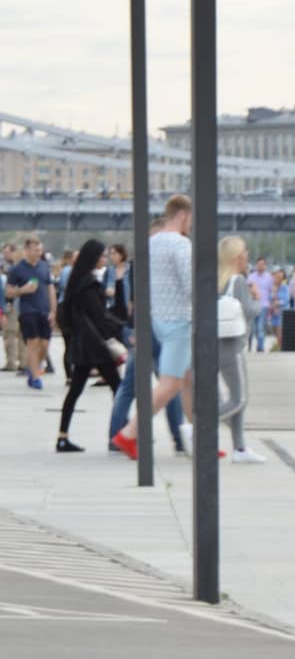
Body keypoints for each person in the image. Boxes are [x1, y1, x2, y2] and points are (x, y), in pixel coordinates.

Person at [111, 194, 195, 460]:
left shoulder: (151, 243)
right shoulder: (181, 244)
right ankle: (129, 433)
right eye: (190, 219)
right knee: (170, 385)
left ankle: (198, 439)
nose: (191, 224)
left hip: (156, 319)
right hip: (179, 320)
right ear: (183, 215)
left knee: (188, 382)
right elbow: (191, 285)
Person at [54, 239, 126, 452]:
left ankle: (62, 437)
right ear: (93, 258)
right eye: (102, 256)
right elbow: (100, 316)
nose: (105, 259)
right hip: (95, 346)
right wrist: (123, 329)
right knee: (119, 388)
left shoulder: (77, 282)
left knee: (75, 391)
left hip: (82, 344)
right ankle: (119, 436)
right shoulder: (90, 284)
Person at [217, 237, 268, 463]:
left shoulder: (219, 281)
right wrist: (257, 299)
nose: (248, 256)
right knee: (239, 399)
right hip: (233, 347)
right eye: (245, 253)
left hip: (217, 344)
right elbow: (249, 311)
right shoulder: (238, 281)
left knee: (236, 397)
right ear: (238, 257)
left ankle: (239, 448)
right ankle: (200, 425)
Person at [5, 235, 57, 389]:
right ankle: (35, 377)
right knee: (33, 343)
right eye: (35, 250)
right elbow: (8, 292)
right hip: (27, 311)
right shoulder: (17, 269)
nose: (38, 253)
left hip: (44, 310)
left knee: (45, 344)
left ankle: (32, 367)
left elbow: (51, 289)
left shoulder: (43, 266)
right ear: (27, 250)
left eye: (40, 250)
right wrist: (23, 290)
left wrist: (54, 310)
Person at [246, 257, 274, 351]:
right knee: (252, 329)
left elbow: (271, 292)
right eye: (259, 264)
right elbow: (247, 290)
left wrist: (271, 304)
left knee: (260, 327)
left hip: (264, 305)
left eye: (262, 264)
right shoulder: (251, 277)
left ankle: (260, 348)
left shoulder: (269, 277)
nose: (260, 266)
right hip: (253, 305)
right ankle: (250, 347)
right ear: (256, 265)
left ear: (265, 265)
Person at [1, 241, 20, 373]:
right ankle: (18, 362)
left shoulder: (13, 268)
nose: (5, 254)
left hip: (12, 304)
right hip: (13, 303)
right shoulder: (15, 266)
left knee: (11, 333)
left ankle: (12, 362)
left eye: (7, 252)